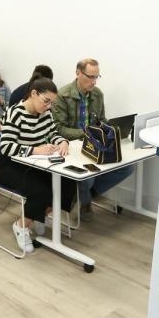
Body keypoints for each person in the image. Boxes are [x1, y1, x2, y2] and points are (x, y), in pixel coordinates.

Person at [0, 78, 76, 254]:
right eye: (46, 101)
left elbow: (53, 132)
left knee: (69, 183)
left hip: (34, 164)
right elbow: (6, 147)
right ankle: (21, 226)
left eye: (51, 103)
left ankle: (40, 215)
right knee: (42, 190)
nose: (48, 107)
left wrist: (63, 142)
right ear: (33, 94)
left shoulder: (45, 113)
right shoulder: (14, 113)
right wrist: (36, 150)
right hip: (10, 166)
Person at [52, 58, 133, 221]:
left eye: (97, 77)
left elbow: (101, 120)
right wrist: (85, 134)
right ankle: (85, 201)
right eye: (90, 77)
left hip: (94, 143)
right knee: (88, 175)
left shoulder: (97, 94)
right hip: (72, 145)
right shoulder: (63, 95)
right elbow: (59, 128)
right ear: (78, 73)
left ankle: (86, 195)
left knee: (127, 168)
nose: (94, 81)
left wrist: (111, 130)